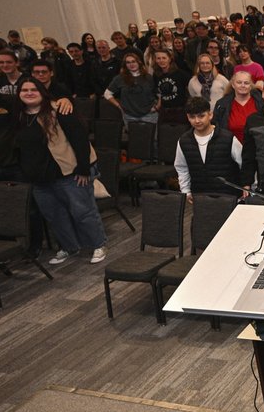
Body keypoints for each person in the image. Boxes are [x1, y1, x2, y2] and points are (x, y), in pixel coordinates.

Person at [13, 77, 107, 265]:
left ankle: (98, 244)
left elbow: (79, 139)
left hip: (69, 173)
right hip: (39, 178)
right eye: (24, 90)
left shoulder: (60, 109)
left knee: (83, 212)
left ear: (42, 92)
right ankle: (69, 246)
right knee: (54, 215)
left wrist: (83, 169)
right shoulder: (19, 116)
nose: (29, 93)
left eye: (34, 89)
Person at [174, 96, 243, 203]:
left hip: (229, 197)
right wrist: (186, 191)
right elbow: (182, 168)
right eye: (192, 117)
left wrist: (247, 188)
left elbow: (243, 164)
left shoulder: (228, 138)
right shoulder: (183, 141)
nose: (197, 121)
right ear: (188, 117)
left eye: (201, 116)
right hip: (201, 198)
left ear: (210, 115)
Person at [104, 52, 160, 124]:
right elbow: (107, 94)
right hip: (129, 116)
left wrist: (157, 106)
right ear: (125, 65)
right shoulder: (120, 78)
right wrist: (119, 106)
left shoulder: (148, 77)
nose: (131, 64)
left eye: (133, 61)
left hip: (149, 115)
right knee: (133, 135)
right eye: (128, 62)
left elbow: (159, 94)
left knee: (150, 135)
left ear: (138, 62)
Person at [211, 69, 262, 145]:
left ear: (251, 86)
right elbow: (216, 127)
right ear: (233, 85)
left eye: (246, 83)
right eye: (239, 82)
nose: (243, 85)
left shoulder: (261, 103)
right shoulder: (222, 105)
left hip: (257, 147)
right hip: (230, 148)